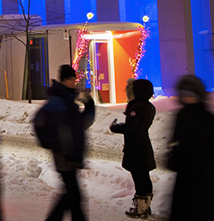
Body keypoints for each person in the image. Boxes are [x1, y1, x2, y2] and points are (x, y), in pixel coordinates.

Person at [34, 64, 95, 221]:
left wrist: (89, 107)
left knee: (71, 194)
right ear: (65, 80)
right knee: (74, 194)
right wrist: (51, 142)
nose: (74, 82)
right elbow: (39, 122)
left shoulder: (68, 100)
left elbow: (80, 125)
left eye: (74, 79)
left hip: (71, 154)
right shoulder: (58, 102)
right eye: (72, 79)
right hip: (64, 155)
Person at [167, 75, 214, 221]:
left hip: (206, 183)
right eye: (183, 95)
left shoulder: (210, 120)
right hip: (185, 183)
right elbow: (175, 146)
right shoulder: (181, 116)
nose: (186, 99)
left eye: (190, 95)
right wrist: (173, 157)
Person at [109, 79, 156, 218]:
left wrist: (115, 127)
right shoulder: (149, 106)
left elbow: (131, 128)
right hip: (144, 145)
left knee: (139, 177)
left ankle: (140, 208)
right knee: (145, 177)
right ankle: (145, 206)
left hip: (136, 148)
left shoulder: (136, 107)